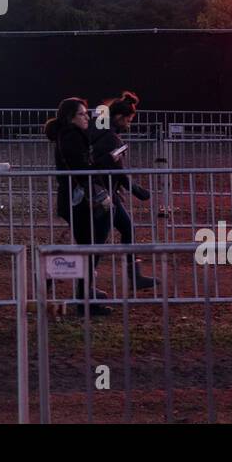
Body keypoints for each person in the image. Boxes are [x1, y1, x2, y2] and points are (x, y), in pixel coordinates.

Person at [45, 98, 112, 314]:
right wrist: (106, 161)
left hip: (77, 199)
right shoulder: (71, 137)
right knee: (90, 246)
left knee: (90, 245)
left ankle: (84, 292)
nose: (87, 117)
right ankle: (81, 297)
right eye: (82, 114)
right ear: (70, 117)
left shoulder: (72, 136)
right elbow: (81, 168)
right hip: (77, 200)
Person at [90, 91, 156, 290]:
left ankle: (134, 276)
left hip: (105, 192)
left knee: (125, 229)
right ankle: (85, 285)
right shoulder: (109, 138)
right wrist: (136, 189)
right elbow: (115, 169)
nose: (129, 124)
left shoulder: (101, 132)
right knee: (98, 240)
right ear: (118, 118)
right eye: (128, 120)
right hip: (103, 194)